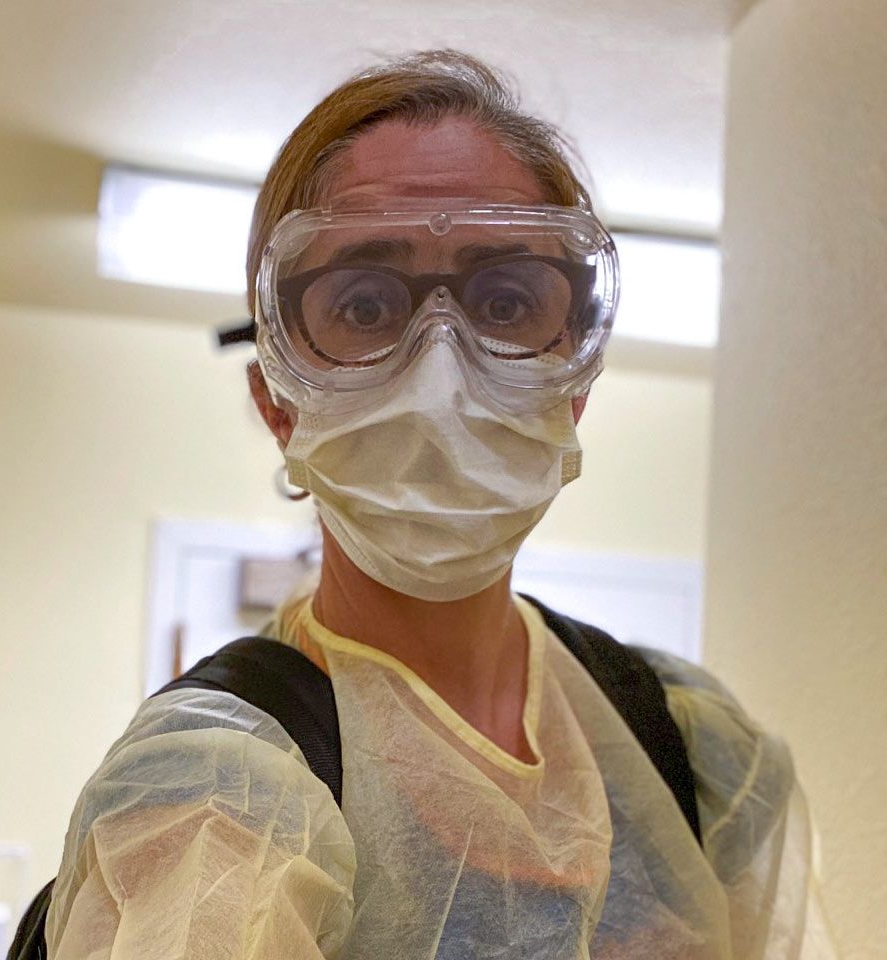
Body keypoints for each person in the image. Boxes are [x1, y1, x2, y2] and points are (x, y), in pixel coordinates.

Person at [43, 51, 835, 959]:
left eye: (505, 301)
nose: (442, 374)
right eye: (368, 307)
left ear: (573, 387)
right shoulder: (212, 797)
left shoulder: (695, 753)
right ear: (277, 398)